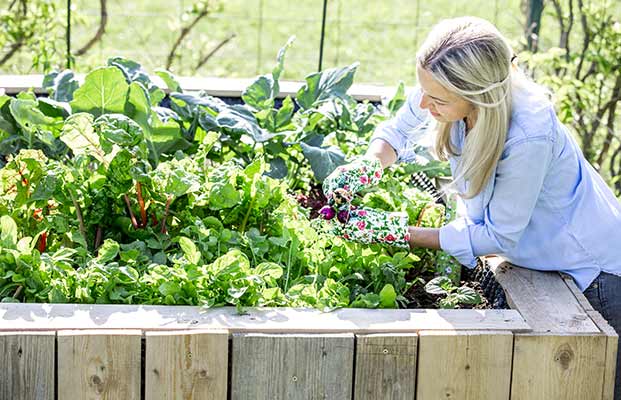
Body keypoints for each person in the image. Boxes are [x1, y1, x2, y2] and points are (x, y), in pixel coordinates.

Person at [322, 16, 621, 398]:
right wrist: (367, 165)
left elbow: (498, 236)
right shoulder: (446, 89)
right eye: (424, 91)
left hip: (593, 277)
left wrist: (398, 232)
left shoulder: (528, 135)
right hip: (548, 262)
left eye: (438, 99)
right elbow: (399, 130)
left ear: (478, 95)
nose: (425, 103)